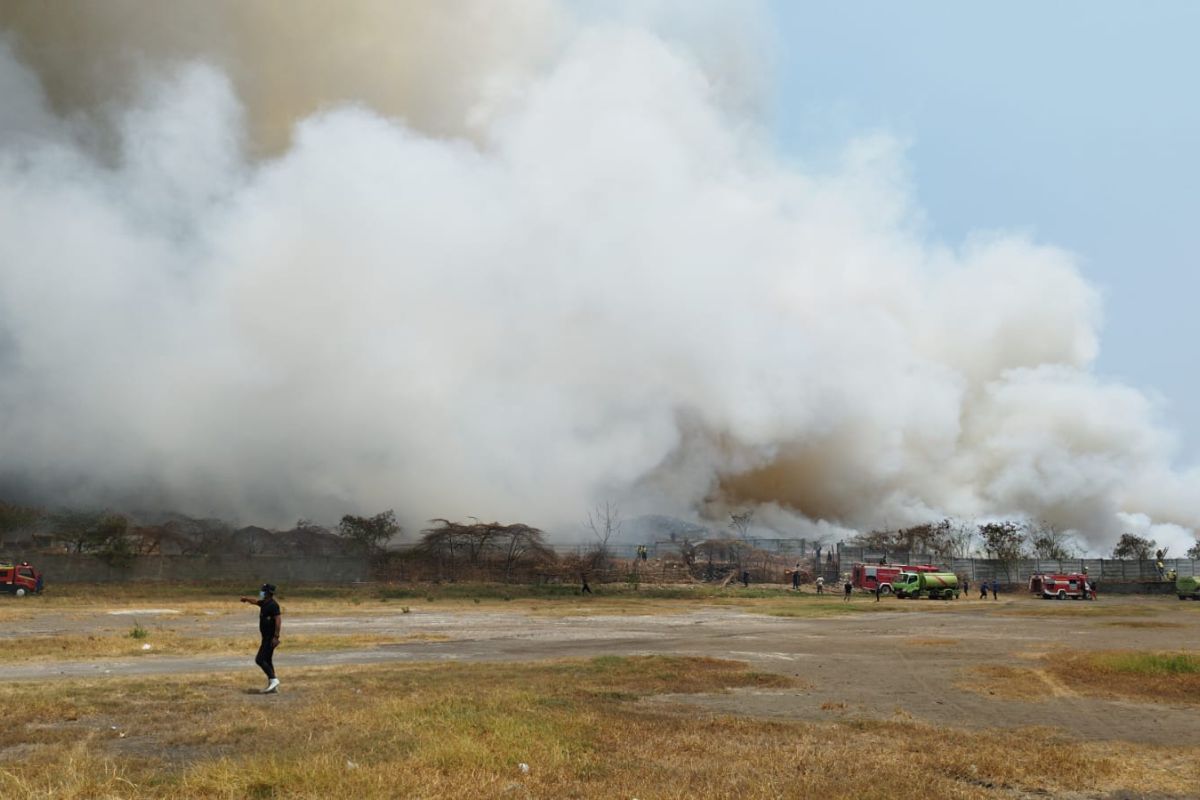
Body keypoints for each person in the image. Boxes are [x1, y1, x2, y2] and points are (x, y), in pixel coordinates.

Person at [240, 583, 282, 694]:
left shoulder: (273, 605)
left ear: (268, 593)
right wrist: (246, 599)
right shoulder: (265, 603)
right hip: (265, 637)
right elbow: (255, 601)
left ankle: (274, 680)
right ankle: (272, 685)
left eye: (263, 590)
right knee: (267, 660)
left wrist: (276, 637)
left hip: (270, 638)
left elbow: (278, 620)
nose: (261, 592)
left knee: (259, 660)